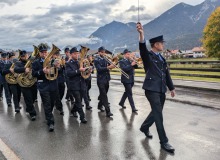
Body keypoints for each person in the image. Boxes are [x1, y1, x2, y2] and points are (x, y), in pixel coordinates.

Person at [137, 22, 176, 153]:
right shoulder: (148, 56)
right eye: (161, 43)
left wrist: (171, 88)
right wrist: (141, 34)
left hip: (161, 89)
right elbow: (142, 47)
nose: (163, 45)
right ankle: (164, 142)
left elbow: (167, 74)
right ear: (155, 45)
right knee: (158, 114)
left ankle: (144, 127)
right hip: (151, 89)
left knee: (156, 112)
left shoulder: (162, 58)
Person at [32, 44, 60, 132]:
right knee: (47, 104)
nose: (44, 54)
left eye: (45, 52)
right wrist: (42, 71)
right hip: (43, 86)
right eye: (42, 52)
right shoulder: (36, 62)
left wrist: (58, 67)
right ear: (39, 53)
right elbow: (34, 74)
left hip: (53, 85)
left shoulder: (52, 60)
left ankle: (49, 114)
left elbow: (59, 71)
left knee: (52, 103)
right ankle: (50, 122)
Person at [65, 47, 87, 123]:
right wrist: (78, 70)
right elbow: (69, 74)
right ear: (71, 54)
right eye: (75, 53)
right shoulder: (68, 63)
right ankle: (82, 117)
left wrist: (88, 69)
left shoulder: (79, 62)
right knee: (78, 101)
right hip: (74, 85)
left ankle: (73, 110)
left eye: (77, 53)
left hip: (82, 84)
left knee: (79, 100)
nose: (77, 55)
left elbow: (84, 72)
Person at [94, 46, 114, 117]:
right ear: (99, 52)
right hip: (100, 80)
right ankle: (108, 111)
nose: (103, 53)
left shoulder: (106, 59)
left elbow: (109, 66)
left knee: (104, 94)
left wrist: (113, 65)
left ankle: (99, 105)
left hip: (106, 79)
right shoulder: (96, 60)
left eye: (104, 52)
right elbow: (99, 69)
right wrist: (108, 67)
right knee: (104, 95)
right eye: (102, 52)